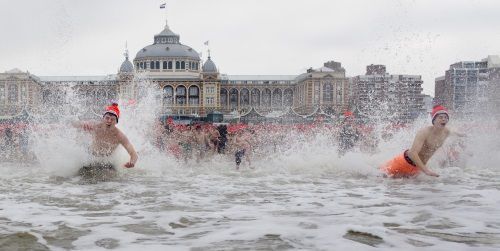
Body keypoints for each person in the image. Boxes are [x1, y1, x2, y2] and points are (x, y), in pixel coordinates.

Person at [381, 105, 464, 178]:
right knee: (380, 178)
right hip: (402, 163)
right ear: (434, 120)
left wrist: (465, 135)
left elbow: (455, 132)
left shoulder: (447, 132)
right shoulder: (424, 132)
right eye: (440, 117)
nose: (444, 119)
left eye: (446, 118)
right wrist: (426, 171)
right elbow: (412, 153)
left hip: (417, 168)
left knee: (409, 192)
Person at [74, 102, 138, 180]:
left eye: (112, 119)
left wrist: (132, 163)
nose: (109, 121)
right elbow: (74, 125)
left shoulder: (119, 136)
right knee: (79, 175)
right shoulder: (95, 126)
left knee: (112, 178)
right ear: (103, 119)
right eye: (107, 118)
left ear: (116, 122)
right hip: (91, 158)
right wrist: (83, 123)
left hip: (107, 162)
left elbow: (134, 154)